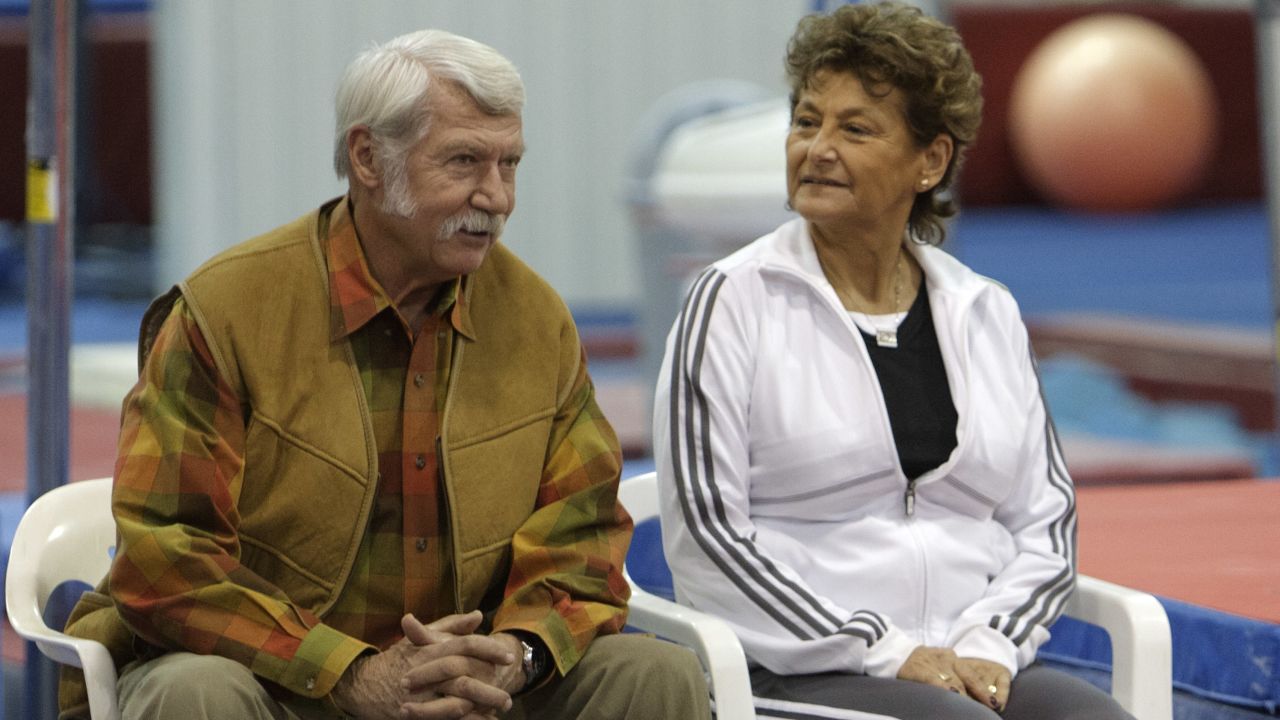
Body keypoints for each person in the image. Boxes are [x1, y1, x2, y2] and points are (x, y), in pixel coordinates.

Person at [59, 28, 710, 720]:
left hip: (475, 691)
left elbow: (580, 536)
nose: (495, 196)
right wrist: (344, 674)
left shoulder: (537, 321)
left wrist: (520, 653)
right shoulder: (224, 314)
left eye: (509, 164)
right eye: (464, 162)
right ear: (368, 158)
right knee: (192, 692)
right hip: (274, 685)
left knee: (652, 673)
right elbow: (167, 560)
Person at [653, 3, 1134, 719]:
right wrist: (883, 650)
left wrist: (990, 644)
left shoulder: (986, 311)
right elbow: (708, 536)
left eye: (855, 128)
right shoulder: (729, 302)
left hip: (971, 659)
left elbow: (1045, 523)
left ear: (930, 161)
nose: (817, 148)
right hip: (797, 668)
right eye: (806, 121)